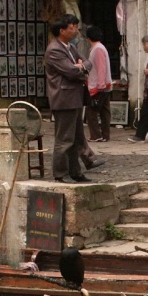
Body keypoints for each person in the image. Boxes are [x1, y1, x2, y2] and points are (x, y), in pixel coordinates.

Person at [44, 14, 102, 183]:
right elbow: (71, 71)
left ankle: (76, 171)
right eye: (73, 27)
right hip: (64, 97)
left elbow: (86, 62)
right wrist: (80, 67)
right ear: (62, 30)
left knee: (76, 136)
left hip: (74, 96)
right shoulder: (55, 49)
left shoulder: (70, 46)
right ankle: (61, 173)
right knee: (64, 139)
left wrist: (81, 66)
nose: (76, 30)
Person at [85, 25, 113, 142]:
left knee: (91, 111)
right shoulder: (99, 48)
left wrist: (99, 86)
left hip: (99, 86)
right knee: (104, 111)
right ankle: (105, 135)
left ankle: (96, 135)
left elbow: (101, 68)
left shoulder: (98, 49)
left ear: (88, 38)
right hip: (104, 85)